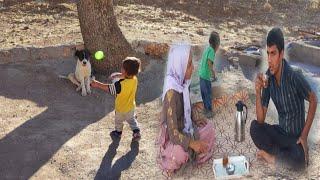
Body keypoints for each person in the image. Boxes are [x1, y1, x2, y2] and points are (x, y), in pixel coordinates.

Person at [250, 27, 318, 169]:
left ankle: (276, 157)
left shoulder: (294, 75)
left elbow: (313, 99)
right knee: (254, 128)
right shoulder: (268, 78)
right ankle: (282, 157)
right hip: (280, 133)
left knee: (299, 160)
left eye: (273, 54)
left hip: (295, 138)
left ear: (281, 54)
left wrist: (304, 136)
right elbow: (261, 120)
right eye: (268, 54)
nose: (269, 59)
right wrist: (258, 92)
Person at [158, 43, 215, 173]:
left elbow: (186, 108)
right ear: (179, 66)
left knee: (209, 129)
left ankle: (193, 151)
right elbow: (173, 134)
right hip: (175, 136)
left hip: (186, 127)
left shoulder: (183, 82)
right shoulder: (171, 93)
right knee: (178, 155)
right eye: (189, 65)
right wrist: (192, 144)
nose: (193, 68)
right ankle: (189, 152)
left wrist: (194, 120)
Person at [91, 57, 142, 141]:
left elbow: (109, 88)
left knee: (118, 121)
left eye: (122, 68)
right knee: (132, 120)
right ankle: (136, 132)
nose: (121, 69)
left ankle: (118, 133)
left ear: (125, 71)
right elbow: (127, 76)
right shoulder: (134, 79)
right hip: (131, 107)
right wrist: (119, 75)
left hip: (120, 108)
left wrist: (97, 84)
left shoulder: (120, 85)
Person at [198, 31, 220, 118]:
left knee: (203, 93)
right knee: (208, 94)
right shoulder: (211, 51)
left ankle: (205, 109)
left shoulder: (207, 49)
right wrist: (213, 73)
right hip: (206, 77)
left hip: (201, 75)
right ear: (216, 44)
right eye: (218, 44)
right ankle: (209, 112)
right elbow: (209, 62)